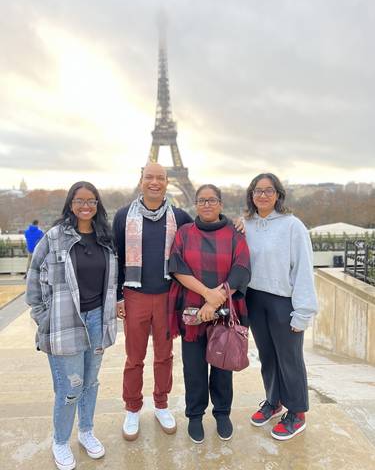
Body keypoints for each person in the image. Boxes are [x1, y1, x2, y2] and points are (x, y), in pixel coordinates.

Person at [26, 182, 117, 470]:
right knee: (70, 387)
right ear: (71, 204)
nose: (86, 205)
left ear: (98, 204)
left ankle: (86, 431)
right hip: (65, 323)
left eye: (91, 200)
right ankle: (61, 440)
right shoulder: (54, 237)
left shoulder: (106, 238)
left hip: (97, 320)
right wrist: (44, 317)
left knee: (91, 383)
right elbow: (32, 278)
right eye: (80, 200)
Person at [112, 162, 192, 441]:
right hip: (135, 295)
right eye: (149, 177)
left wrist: (239, 223)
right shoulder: (123, 216)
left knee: (164, 356)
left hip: (167, 296)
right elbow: (117, 259)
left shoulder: (180, 217)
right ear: (141, 180)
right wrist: (119, 296)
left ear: (168, 181)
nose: (154, 182)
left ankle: (160, 404)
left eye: (160, 178)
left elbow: (202, 238)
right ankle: (132, 408)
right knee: (134, 358)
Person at [168, 184, 251, 444]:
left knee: (222, 365)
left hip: (224, 312)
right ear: (195, 203)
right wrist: (208, 294)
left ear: (221, 204)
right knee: (193, 369)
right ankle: (194, 416)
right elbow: (178, 268)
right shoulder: (184, 233)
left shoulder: (235, 235)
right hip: (193, 313)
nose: (206, 204)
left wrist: (214, 303)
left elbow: (241, 269)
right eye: (201, 200)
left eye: (212, 200)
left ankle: (222, 413)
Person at [244, 173, 318, 441]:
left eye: (268, 190)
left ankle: (297, 413)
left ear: (278, 194)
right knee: (267, 356)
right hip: (255, 298)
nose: (262, 195)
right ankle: (273, 401)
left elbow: (303, 271)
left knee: (290, 359)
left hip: (282, 301)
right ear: (251, 195)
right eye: (257, 190)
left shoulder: (292, 226)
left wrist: (303, 312)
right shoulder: (246, 224)